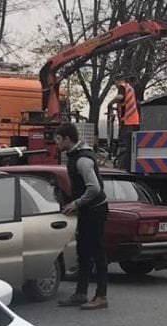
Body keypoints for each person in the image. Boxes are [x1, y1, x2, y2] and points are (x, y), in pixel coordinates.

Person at [56, 122, 110, 311]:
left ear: (66, 139)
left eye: (58, 139)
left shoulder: (82, 160)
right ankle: (80, 293)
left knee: (97, 253)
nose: (56, 143)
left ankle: (101, 296)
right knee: (83, 252)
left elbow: (94, 188)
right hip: (88, 211)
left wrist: (76, 203)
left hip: (96, 210)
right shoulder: (73, 156)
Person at [112, 77, 140, 170]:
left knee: (124, 145)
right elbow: (125, 104)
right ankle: (128, 166)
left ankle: (122, 167)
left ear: (117, 80)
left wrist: (110, 103)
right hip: (134, 120)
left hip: (128, 120)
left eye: (115, 82)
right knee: (130, 145)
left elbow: (120, 97)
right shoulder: (130, 88)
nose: (115, 85)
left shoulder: (122, 87)